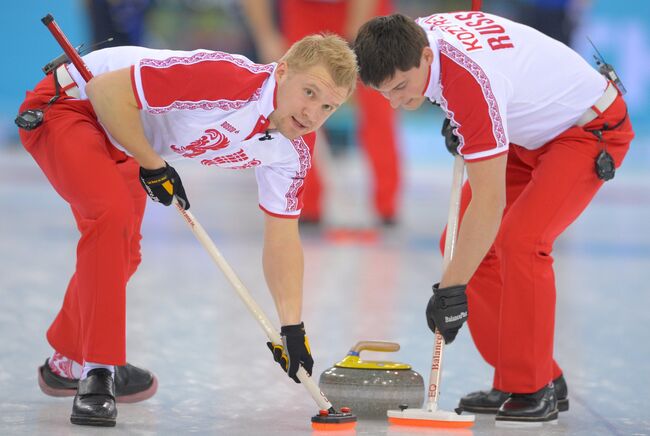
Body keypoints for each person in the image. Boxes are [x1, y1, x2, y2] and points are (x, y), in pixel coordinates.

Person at [17, 33, 357, 427]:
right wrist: (152, 163)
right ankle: (98, 370)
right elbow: (106, 91)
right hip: (73, 107)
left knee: (124, 252)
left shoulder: (294, 150)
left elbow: (282, 238)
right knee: (110, 218)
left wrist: (292, 327)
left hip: (127, 135)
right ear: (281, 72)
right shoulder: (225, 79)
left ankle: (68, 361)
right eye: (309, 92)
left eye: (328, 106)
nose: (313, 112)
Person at [354, 12, 633, 423]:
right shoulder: (409, 36)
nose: (395, 101)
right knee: (460, 243)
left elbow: (489, 201)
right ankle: (527, 376)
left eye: (401, 87)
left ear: (426, 57)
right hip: (528, 130)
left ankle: (533, 388)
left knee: (522, 241)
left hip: (586, 130)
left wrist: (450, 291)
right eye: (384, 93)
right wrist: (458, 113)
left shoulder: (469, 82)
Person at [240, 0, 401, 225]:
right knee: (297, 104)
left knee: (380, 100)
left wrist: (355, 35)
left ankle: (387, 205)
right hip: (305, 9)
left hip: (362, 9)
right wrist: (266, 36)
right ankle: (304, 201)